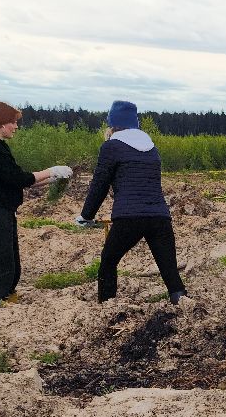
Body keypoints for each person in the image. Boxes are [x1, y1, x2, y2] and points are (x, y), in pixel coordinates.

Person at [74, 100, 189, 305]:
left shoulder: (111, 147)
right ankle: (183, 306)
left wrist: (86, 215)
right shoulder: (152, 149)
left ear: (112, 124)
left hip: (129, 217)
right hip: (160, 217)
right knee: (169, 270)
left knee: (108, 262)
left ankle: (106, 307)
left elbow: (99, 184)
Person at [0, 101, 72, 304]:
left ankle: (7, 299)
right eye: (13, 122)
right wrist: (50, 171)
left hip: (0, 211)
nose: (16, 126)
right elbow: (17, 178)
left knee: (9, 260)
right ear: (2, 123)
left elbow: (16, 181)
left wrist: (54, 178)